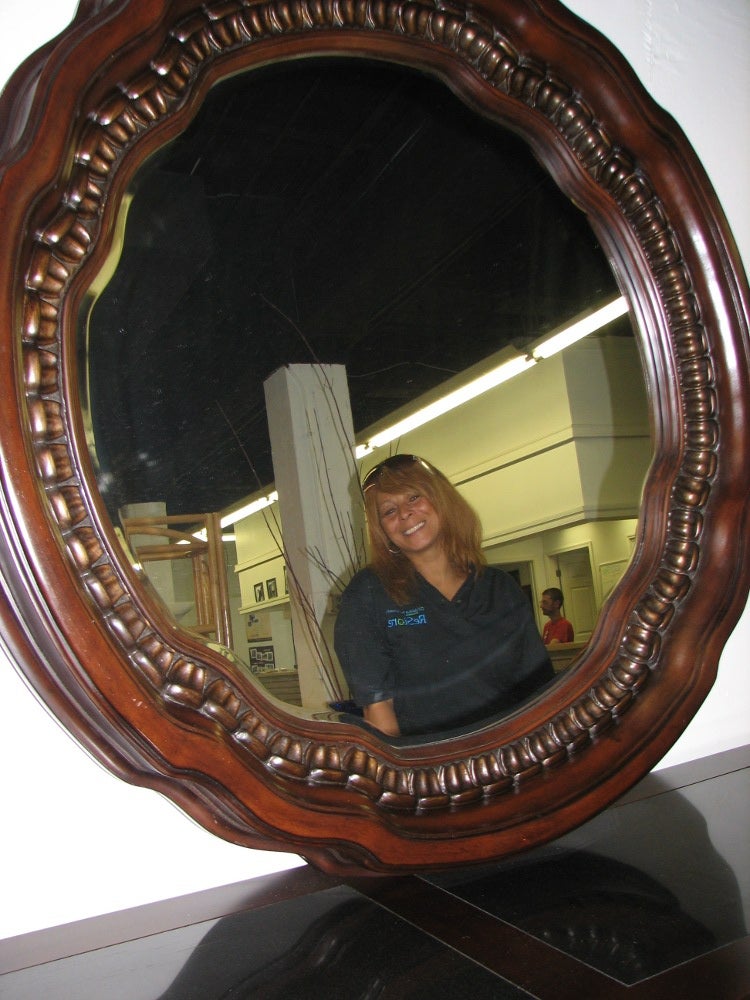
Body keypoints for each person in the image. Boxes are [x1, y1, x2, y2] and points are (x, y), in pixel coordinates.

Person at [333, 455, 554, 737]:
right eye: (389, 511)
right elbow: (378, 712)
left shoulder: (500, 589)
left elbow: (540, 692)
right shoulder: (367, 595)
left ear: (442, 500)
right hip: (432, 769)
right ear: (382, 532)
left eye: (414, 497)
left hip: (510, 759)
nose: (404, 514)